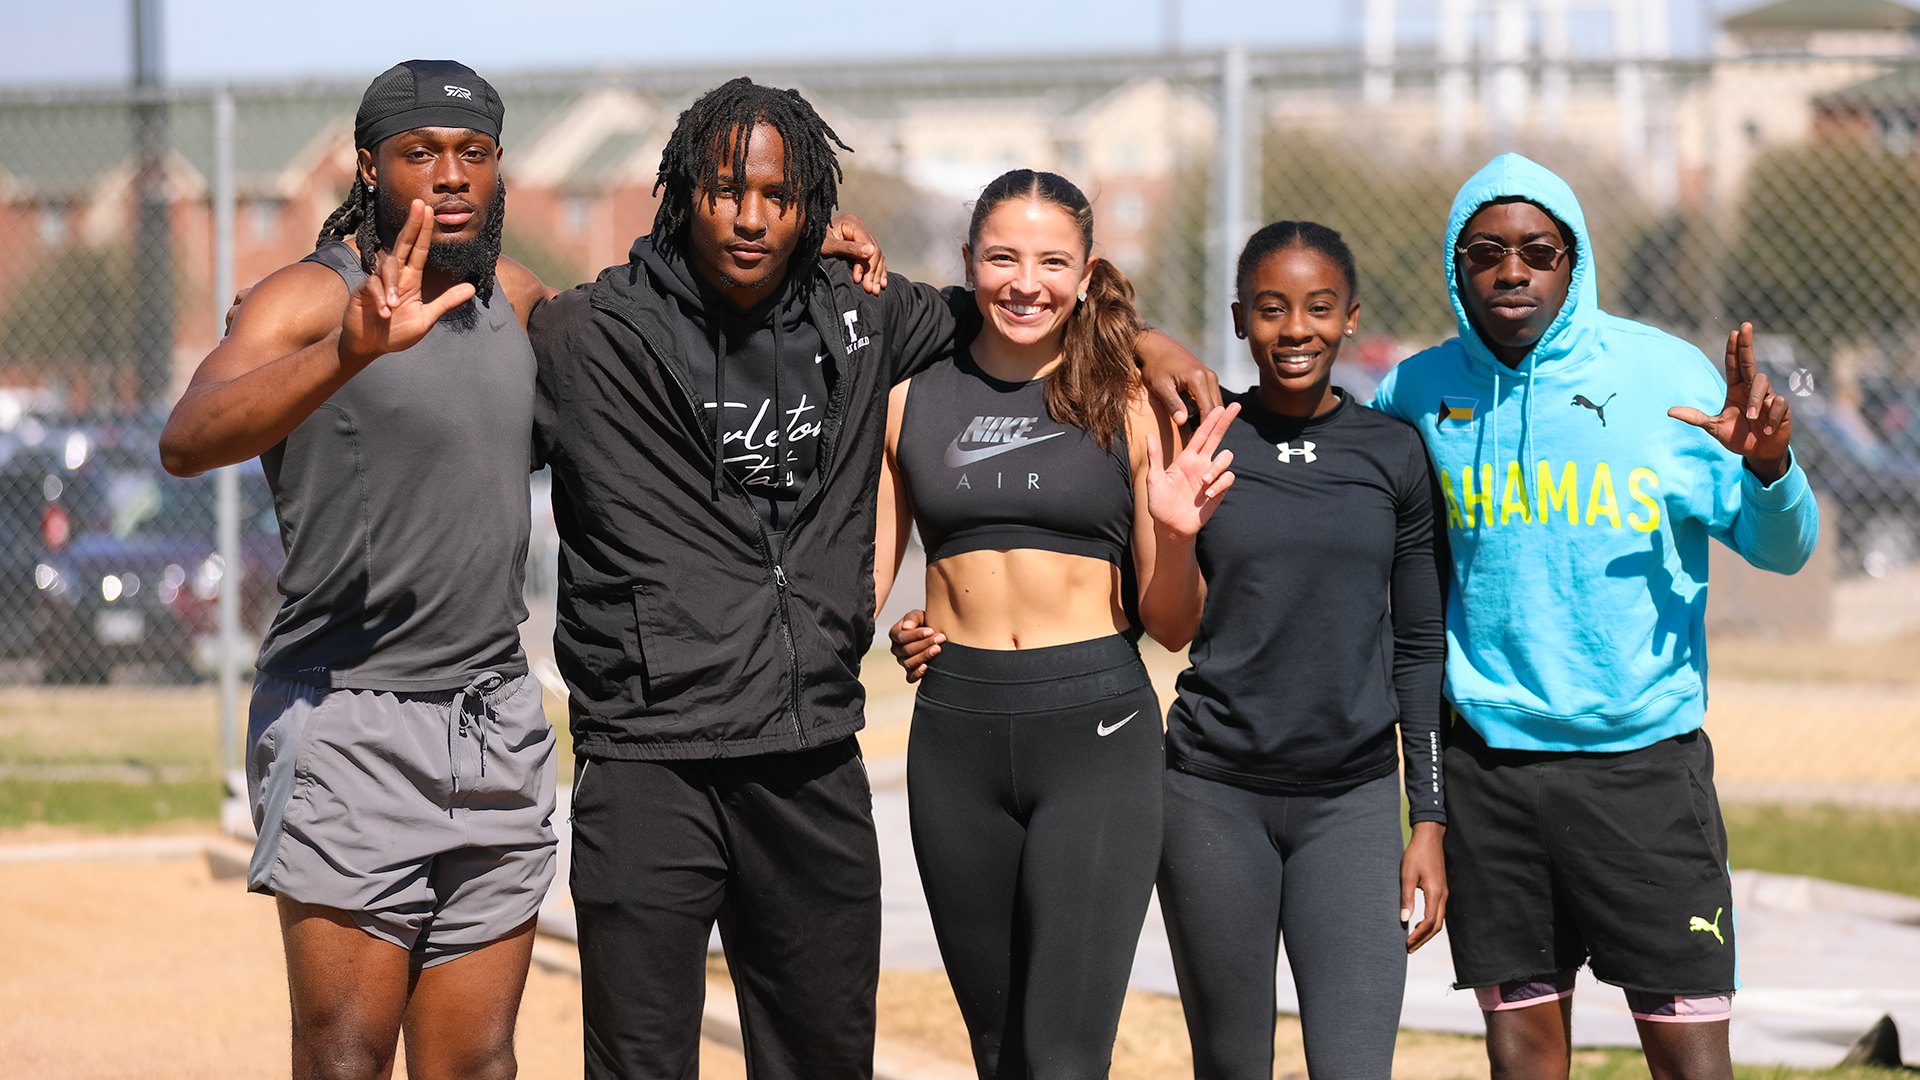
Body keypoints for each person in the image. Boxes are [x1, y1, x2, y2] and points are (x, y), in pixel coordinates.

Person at [526, 80, 1219, 1080]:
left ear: (812, 202)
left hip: (810, 755)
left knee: (835, 1055)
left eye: (779, 192)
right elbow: (465, 391)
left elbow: (1033, 319)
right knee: (641, 1061)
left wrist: (1146, 344)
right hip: (650, 756)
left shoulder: (867, 321)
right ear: (680, 190)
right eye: (725, 190)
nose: (752, 215)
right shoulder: (589, 337)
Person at [1372, 153, 1818, 1080]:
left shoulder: (1662, 376)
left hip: (1643, 772)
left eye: (1539, 250)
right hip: (1490, 773)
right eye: (1486, 250)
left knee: (1691, 1064)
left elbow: (1785, 551)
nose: (1512, 270)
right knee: (1524, 1062)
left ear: (1574, 263)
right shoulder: (1414, 394)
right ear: (1457, 266)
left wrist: (1771, 471)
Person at [157, 60, 555, 1080]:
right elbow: (188, 438)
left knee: (478, 1064)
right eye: (421, 154)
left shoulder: (511, 296)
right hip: (348, 719)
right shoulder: (310, 295)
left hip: (496, 723)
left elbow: (657, 328)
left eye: (473, 154)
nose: (451, 175)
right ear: (369, 166)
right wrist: (349, 352)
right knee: (345, 1058)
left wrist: (812, 260)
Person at [873, 168, 1235, 1079]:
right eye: (1001, 257)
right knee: (997, 1052)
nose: (1024, 282)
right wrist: (897, 631)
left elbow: (1173, 624)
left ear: (1085, 273)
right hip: (954, 730)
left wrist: (1182, 536)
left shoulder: (1129, 397)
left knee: (1065, 1055)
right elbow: (864, 585)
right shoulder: (911, 396)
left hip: (1096, 733)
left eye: (1050, 261)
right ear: (967, 264)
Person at [1148, 220, 1448, 1080]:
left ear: (1351, 318)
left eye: (1319, 308)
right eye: (1272, 309)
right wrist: (1174, 535)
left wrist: (1426, 819)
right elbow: (1170, 625)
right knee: (1233, 1065)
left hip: (1350, 806)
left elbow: (1420, 646)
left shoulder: (1392, 453)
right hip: (1212, 795)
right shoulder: (1204, 441)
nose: (1295, 330)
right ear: (1241, 319)